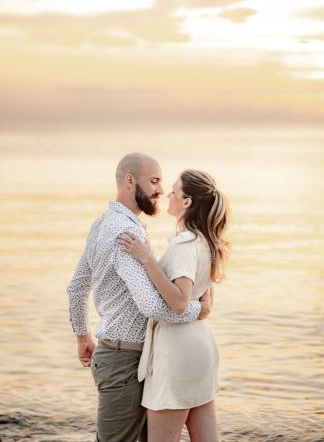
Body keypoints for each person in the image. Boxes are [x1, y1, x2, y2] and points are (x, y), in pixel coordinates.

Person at [67, 153, 211, 442]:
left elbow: (77, 287)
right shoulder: (126, 233)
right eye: (154, 181)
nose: (161, 190)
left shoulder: (102, 224)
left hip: (127, 357)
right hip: (124, 361)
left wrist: (83, 337)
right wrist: (199, 309)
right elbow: (152, 307)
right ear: (130, 181)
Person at [118, 169, 230, 442]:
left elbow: (180, 301)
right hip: (199, 347)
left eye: (174, 192)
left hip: (177, 352)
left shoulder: (185, 243)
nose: (168, 195)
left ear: (187, 202)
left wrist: (147, 259)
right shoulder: (206, 241)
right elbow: (202, 297)